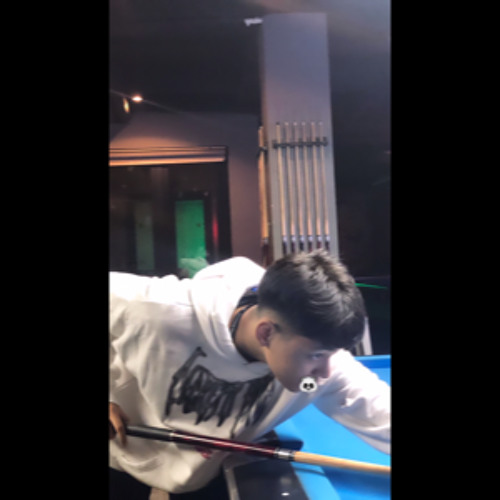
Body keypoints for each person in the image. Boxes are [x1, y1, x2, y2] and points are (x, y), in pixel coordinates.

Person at [109, 250, 390, 499]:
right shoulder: (158, 311)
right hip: (121, 447)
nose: (326, 370)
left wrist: (316, 368)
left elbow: (375, 405)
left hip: (201, 468)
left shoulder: (312, 370)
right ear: (265, 333)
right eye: (317, 355)